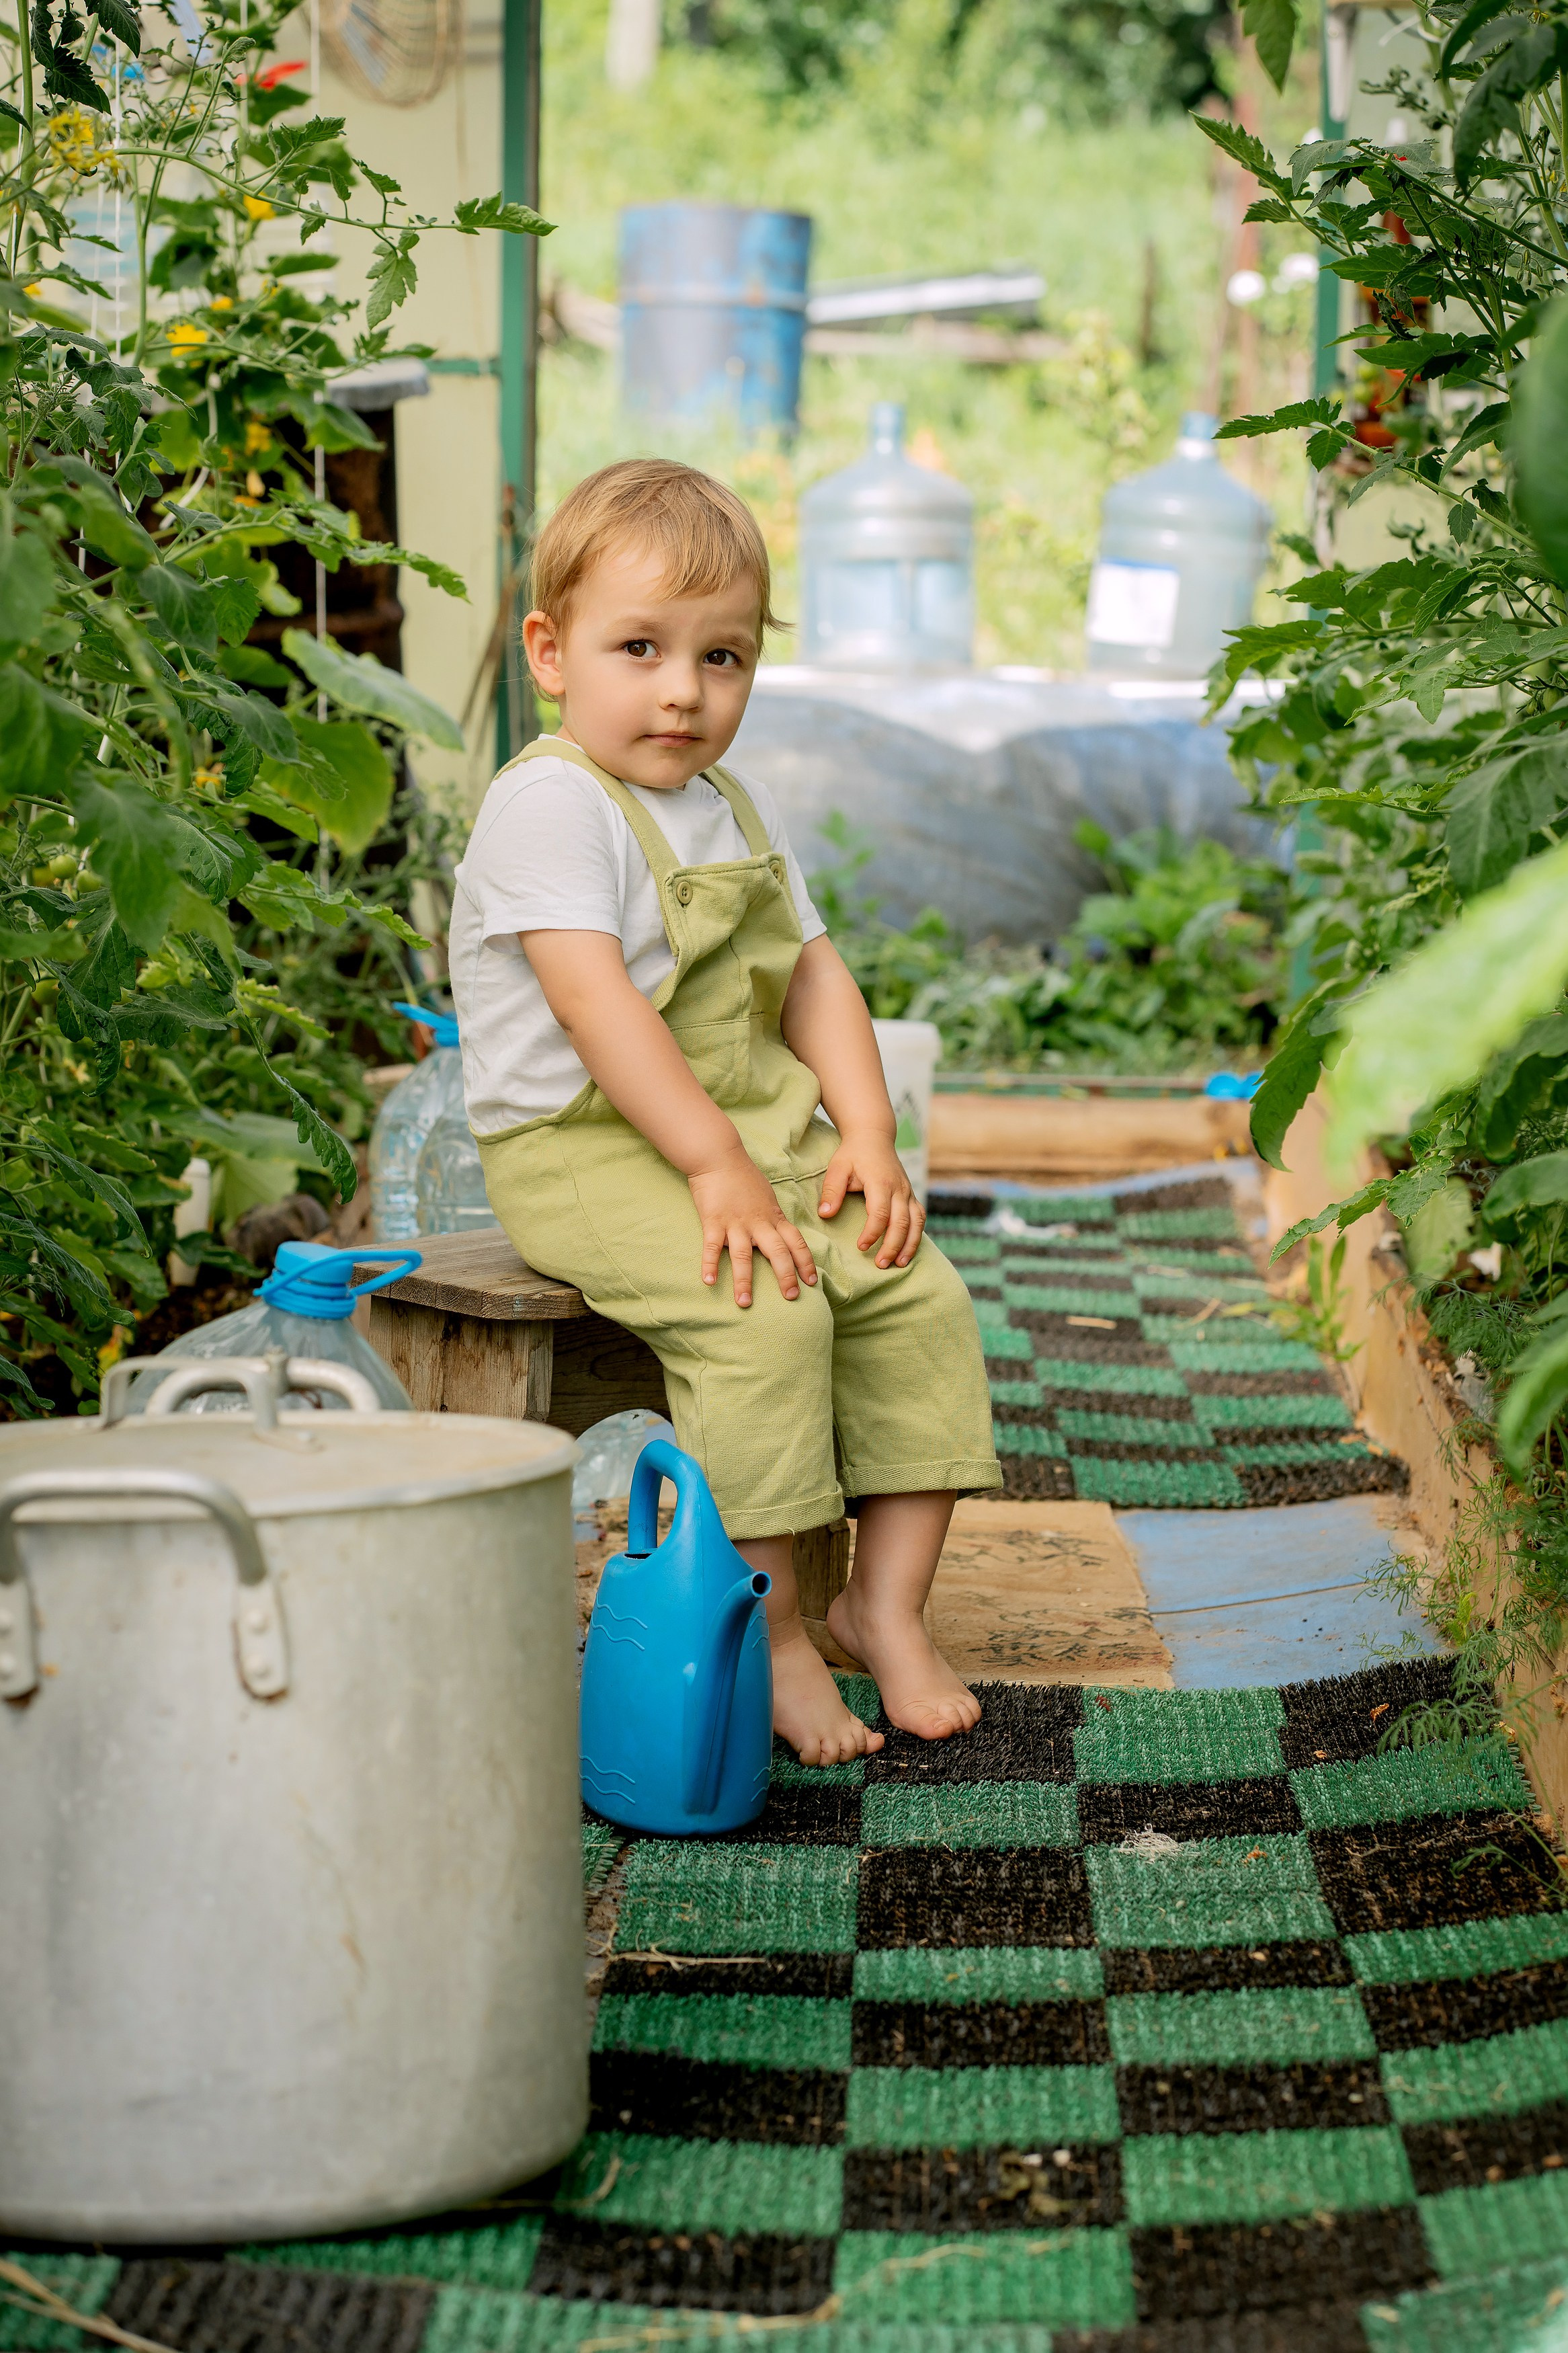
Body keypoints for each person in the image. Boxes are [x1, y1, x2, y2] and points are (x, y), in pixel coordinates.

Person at [448, 457, 1001, 1766]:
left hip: (745, 1137)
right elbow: (597, 1008)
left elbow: (813, 975)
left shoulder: (728, 806)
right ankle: (778, 1632)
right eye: (640, 648)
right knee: (763, 1314)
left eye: (724, 657)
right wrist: (712, 1163)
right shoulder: (549, 802)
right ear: (552, 652)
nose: (683, 691)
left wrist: (866, 1132)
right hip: (585, 1149)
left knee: (914, 1296)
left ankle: (883, 1608)